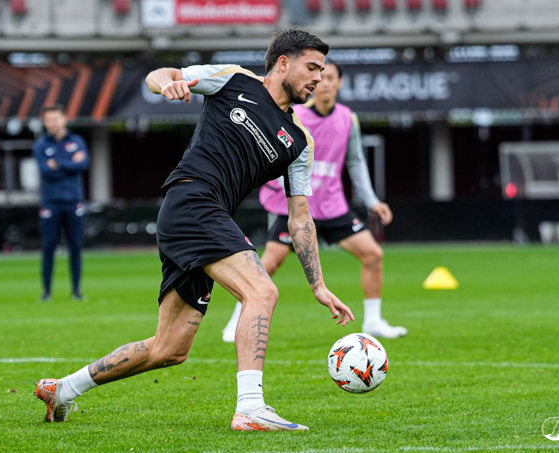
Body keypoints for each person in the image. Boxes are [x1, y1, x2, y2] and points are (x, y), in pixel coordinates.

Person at [34, 29, 353, 432]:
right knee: (262, 291)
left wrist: (318, 285)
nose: (319, 78)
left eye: (322, 71)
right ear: (283, 63)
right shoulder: (234, 79)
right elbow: (159, 74)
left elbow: (300, 218)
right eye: (312, 67)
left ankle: (62, 389)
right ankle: (250, 407)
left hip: (201, 218)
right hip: (191, 202)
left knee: (169, 348)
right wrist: (168, 84)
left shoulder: (299, 142)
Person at [222, 61, 406, 343]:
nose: (325, 82)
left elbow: (356, 162)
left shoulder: (348, 119)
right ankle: (237, 321)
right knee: (268, 264)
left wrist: (372, 201)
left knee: (373, 254)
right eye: (321, 77)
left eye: (331, 77)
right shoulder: (296, 116)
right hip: (297, 207)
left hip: (332, 206)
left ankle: (373, 322)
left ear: (339, 83)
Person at [32, 104, 90, 302]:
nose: (52, 123)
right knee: (48, 247)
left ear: (64, 119)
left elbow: (83, 164)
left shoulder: (77, 140)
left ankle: (77, 291)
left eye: (55, 119)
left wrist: (58, 164)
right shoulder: (40, 145)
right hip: (50, 203)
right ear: (44, 122)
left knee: (76, 247)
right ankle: (46, 291)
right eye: (48, 120)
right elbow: (46, 171)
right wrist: (70, 163)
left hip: (74, 201)